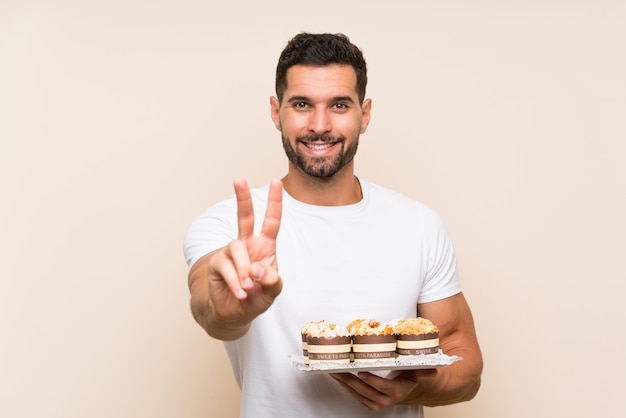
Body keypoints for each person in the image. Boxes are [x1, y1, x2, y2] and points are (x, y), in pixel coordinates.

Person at [184, 32, 483, 417]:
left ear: (366, 113)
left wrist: (413, 388)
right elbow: (210, 309)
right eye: (302, 104)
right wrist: (232, 308)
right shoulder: (227, 224)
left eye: (339, 104)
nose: (320, 125)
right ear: (276, 113)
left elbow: (465, 362)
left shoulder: (419, 225)